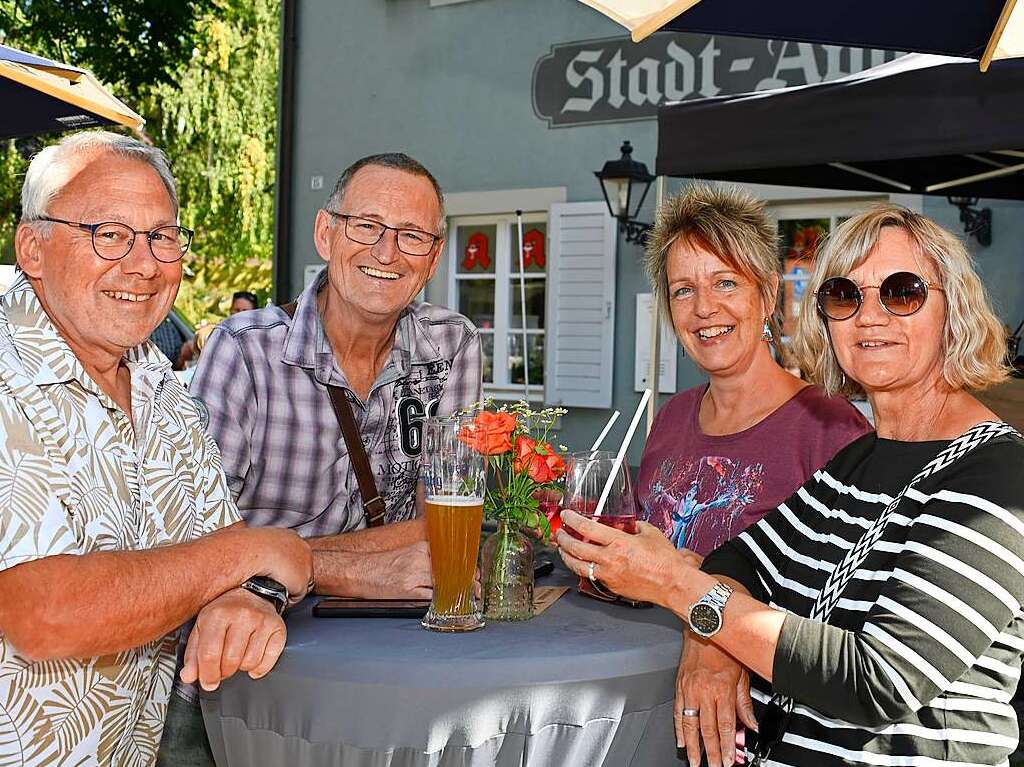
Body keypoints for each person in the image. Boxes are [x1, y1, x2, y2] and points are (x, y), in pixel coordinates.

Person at [558, 204, 1024, 767]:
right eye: (844, 296)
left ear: (955, 309)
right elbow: (740, 556)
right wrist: (709, 627)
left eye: (902, 292)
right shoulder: (862, 458)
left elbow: (880, 680)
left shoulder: (997, 476)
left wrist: (679, 588)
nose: (869, 316)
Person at [0, 130, 312, 767]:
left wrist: (248, 594)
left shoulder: (158, 383)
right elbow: (46, 614)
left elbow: (227, 556)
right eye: (108, 233)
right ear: (33, 246)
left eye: (162, 236)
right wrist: (258, 549)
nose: (143, 263)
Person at [638, 184, 869, 557]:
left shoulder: (831, 430)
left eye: (725, 283)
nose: (703, 308)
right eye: (683, 290)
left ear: (767, 294)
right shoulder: (671, 417)